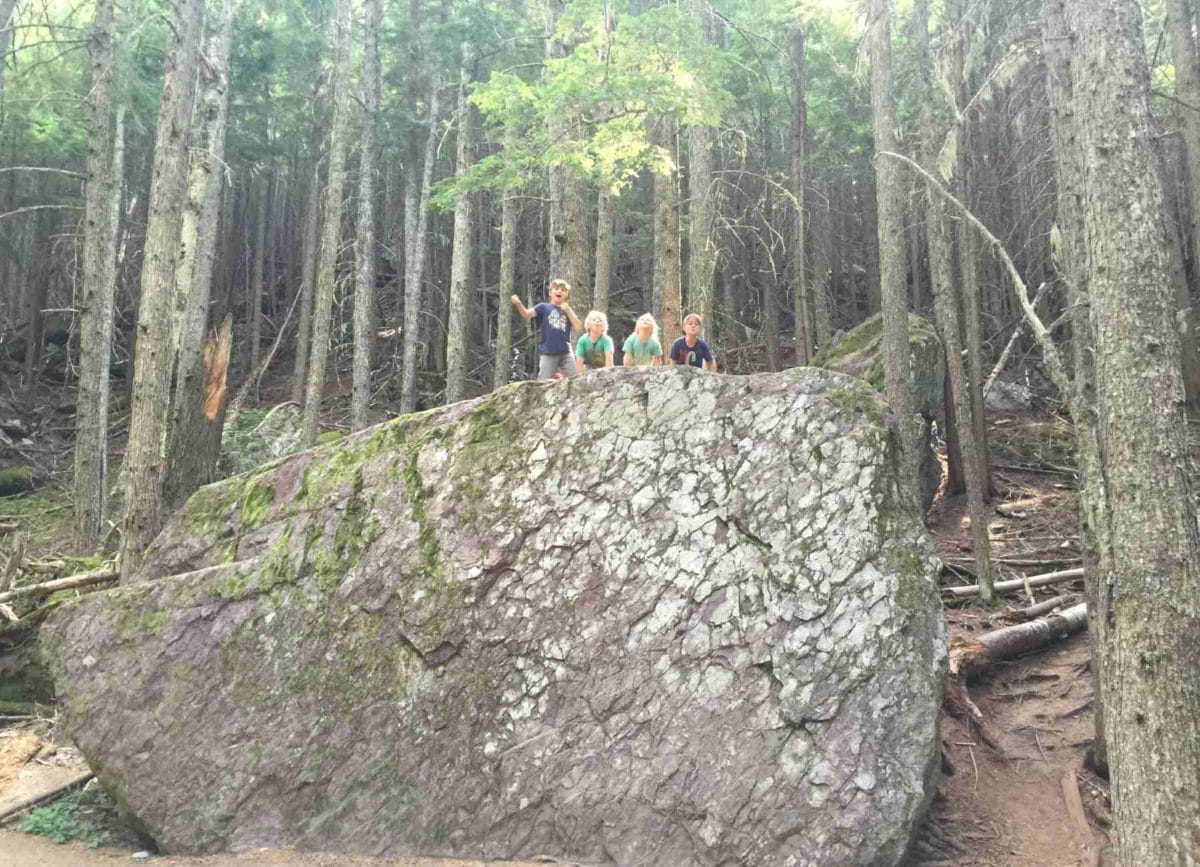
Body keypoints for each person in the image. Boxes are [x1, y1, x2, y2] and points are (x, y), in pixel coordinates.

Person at [511, 279, 583, 380]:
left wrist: (568, 310)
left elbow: (578, 328)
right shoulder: (544, 307)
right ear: (550, 292)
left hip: (565, 351)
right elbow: (526, 314)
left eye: (563, 290)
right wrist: (518, 304)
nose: (559, 291)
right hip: (548, 351)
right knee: (543, 381)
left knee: (575, 378)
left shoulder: (568, 311)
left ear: (567, 295)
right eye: (556, 289)